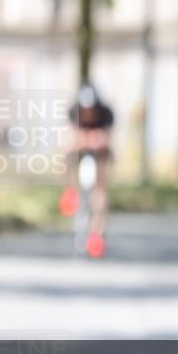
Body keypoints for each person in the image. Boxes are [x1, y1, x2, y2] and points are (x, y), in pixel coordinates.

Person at [60, 82, 114, 257]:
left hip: (99, 156)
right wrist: (85, 140)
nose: (89, 114)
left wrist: (89, 139)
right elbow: (68, 138)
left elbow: (106, 139)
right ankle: (70, 190)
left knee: (101, 186)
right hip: (80, 153)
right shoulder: (73, 112)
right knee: (68, 156)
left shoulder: (106, 114)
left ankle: (97, 232)